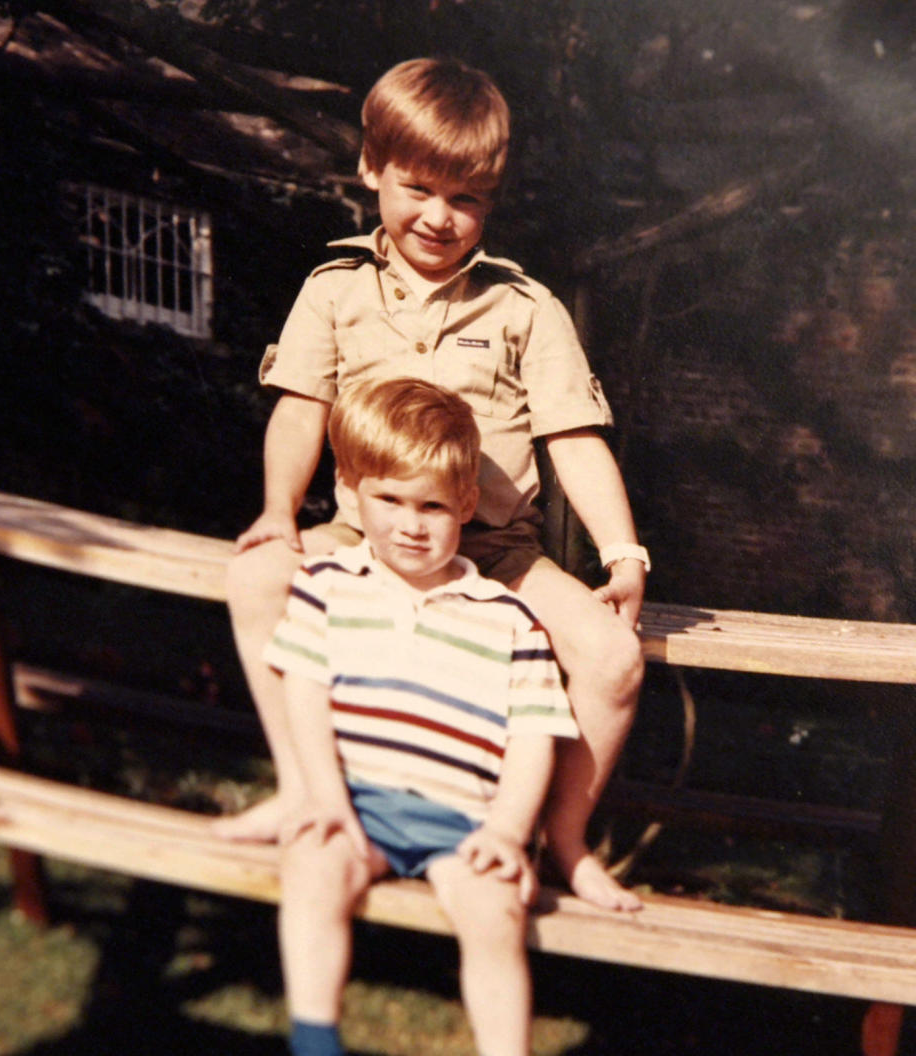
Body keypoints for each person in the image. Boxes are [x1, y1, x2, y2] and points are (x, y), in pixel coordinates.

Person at [215, 56, 648, 911]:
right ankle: (306, 791)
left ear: (491, 198)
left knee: (613, 660)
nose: (440, 219)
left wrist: (623, 553)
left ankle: (560, 840)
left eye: (467, 199)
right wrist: (276, 512)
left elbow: (576, 437)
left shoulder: (525, 307)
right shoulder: (336, 290)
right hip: (367, 540)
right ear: (372, 167)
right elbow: (300, 412)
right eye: (418, 189)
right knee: (255, 575)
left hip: (496, 552)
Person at [274, 377, 578, 1056]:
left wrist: (506, 829)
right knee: (311, 873)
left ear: (466, 504)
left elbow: (533, 736)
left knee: (493, 916)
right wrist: (326, 799)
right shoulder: (328, 587)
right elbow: (304, 694)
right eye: (390, 500)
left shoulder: (509, 618)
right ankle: (314, 1041)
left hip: (463, 822)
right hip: (359, 805)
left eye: (433, 505)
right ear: (351, 493)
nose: (411, 524)